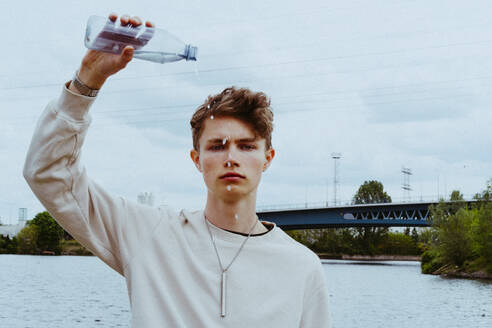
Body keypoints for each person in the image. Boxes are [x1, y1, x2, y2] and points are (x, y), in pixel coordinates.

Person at [23, 13, 331, 328]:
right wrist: (86, 82)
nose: (231, 157)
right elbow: (49, 173)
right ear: (196, 159)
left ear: (268, 158)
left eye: (247, 146)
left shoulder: (302, 267)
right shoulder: (150, 235)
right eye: (216, 146)